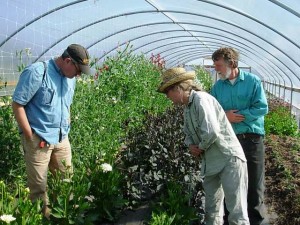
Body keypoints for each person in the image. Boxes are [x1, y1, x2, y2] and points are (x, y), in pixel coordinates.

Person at [157, 67, 250, 225]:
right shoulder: (187, 108)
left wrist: (199, 147)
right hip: (211, 163)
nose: (167, 97)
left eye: (168, 92)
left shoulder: (201, 99)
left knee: (236, 211)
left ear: (178, 88)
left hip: (228, 159)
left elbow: (212, 131)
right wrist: (190, 146)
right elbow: (187, 133)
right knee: (211, 210)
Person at [12, 44, 90, 218]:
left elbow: (66, 104)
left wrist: (66, 123)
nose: (79, 75)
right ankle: (43, 219)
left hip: (62, 138)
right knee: (39, 188)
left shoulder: (71, 79)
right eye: (78, 70)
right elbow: (18, 104)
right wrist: (29, 135)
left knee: (66, 181)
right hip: (38, 139)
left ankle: (64, 217)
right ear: (67, 61)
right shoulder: (38, 72)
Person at [210, 47, 268, 225]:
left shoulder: (253, 81)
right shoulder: (218, 87)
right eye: (215, 66)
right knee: (231, 183)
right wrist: (225, 117)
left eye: (218, 65)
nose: (216, 69)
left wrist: (239, 117)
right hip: (229, 141)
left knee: (254, 185)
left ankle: (256, 220)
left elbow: (261, 107)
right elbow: (212, 111)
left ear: (232, 63)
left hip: (251, 140)